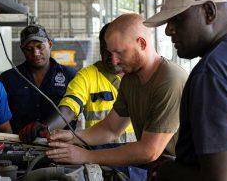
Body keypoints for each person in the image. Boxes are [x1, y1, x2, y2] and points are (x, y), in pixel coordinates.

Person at [143, 0, 227, 180]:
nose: (168, 29)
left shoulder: (212, 73)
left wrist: (164, 171)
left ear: (209, 12)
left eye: (177, 19)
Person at [46, 13, 187, 169]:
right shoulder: (130, 80)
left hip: (182, 171)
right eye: (110, 53)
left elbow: (149, 151)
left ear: (141, 43)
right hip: (157, 171)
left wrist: (86, 156)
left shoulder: (170, 80)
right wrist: (73, 137)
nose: (114, 61)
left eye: (119, 52)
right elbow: (110, 129)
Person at [19, 23, 136, 144]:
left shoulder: (140, 77)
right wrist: (45, 129)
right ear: (100, 49)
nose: (113, 59)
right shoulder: (86, 76)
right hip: (101, 155)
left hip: (137, 155)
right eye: (106, 51)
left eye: (118, 51)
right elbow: (68, 110)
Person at [0, 24, 76, 135]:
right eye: (29, 49)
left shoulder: (70, 76)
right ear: (22, 50)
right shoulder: (8, 79)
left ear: (50, 44)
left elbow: (71, 112)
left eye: (40, 47)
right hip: (20, 146)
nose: (35, 53)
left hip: (60, 146)